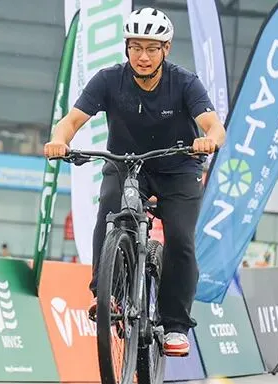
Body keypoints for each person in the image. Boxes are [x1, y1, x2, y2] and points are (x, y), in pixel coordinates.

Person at [43, 7, 226, 357]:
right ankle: (107, 294)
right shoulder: (108, 80)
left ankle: (175, 325)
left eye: (152, 48)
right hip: (126, 165)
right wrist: (58, 140)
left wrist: (209, 140)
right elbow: (71, 121)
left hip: (178, 168)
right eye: (136, 47)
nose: (143, 56)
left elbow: (213, 125)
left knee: (181, 239)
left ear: (166, 49)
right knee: (109, 213)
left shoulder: (184, 82)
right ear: (127, 47)